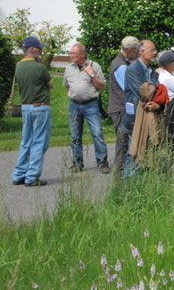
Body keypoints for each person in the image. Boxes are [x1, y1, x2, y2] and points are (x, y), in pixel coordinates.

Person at [11, 36, 53, 187]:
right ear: (32, 49)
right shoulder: (39, 67)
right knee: (39, 142)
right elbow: (51, 85)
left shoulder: (19, 66)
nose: (41, 51)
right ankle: (32, 177)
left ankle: (19, 174)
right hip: (40, 106)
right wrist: (40, 64)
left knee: (26, 141)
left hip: (25, 107)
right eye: (39, 48)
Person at [63, 43, 110, 173]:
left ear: (82, 54)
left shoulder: (94, 66)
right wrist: (74, 94)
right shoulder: (68, 69)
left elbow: (101, 87)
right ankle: (77, 163)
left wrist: (92, 75)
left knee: (97, 134)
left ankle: (102, 162)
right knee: (75, 136)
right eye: (70, 53)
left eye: (73, 53)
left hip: (91, 105)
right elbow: (67, 85)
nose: (71, 55)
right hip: (74, 105)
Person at [122, 40, 160, 177]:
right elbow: (144, 92)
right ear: (142, 52)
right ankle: (129, 190)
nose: (155, 53)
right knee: (134, 152)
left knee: (148, 153)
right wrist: (158, 92)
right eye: (152, 50)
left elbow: (159, 93)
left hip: (149, 117)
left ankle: (142, 189)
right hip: (135, 119)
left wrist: (158, 103)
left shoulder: (152, 72)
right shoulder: (133, 70)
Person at [108, 35, 139, 175]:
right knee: (123, 143)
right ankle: (119, 176)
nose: (137, 53)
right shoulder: (120, 66)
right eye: (136, 50)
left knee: (124, 142)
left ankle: (121, 175)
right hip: (120, 109)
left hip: (120, 108)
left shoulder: (121, 62)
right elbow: (128, 87)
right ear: (131, 50)